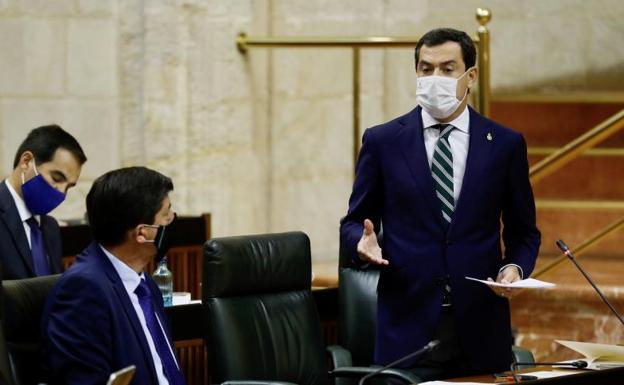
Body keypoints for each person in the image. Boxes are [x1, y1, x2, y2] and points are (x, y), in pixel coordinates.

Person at [340, 28, 540, 379]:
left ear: (470, 76)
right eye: (425, 68)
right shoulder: (383, 141)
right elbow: (354, 221)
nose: (434, 78)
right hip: (408, 331)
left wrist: (515, 269)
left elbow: (524, 233)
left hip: (481, 329)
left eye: (447, 69)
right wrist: (360, 241)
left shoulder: (505, 144)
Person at [41, 167, 186, 385]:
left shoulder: (146, 286)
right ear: (141, 233)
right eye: (166, 215)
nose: (173, 220)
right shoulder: (83, 290)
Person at [0, 125, 86, 279]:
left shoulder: (50, 227)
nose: (61, 192)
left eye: (69, 187)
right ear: (26, 162)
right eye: (57, 178)